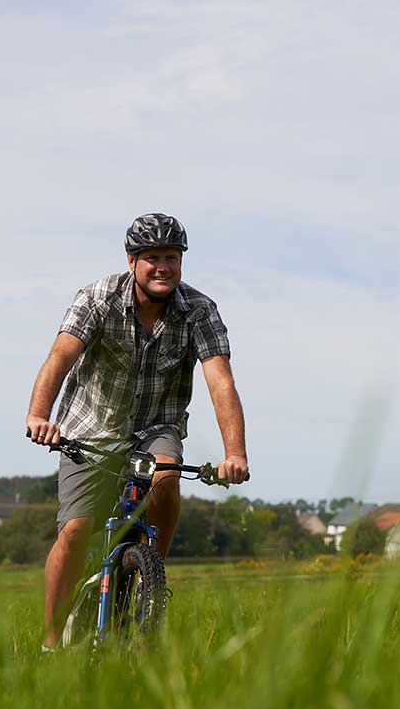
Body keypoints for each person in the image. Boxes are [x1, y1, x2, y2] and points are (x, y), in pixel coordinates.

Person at [25, 213, 249, 649]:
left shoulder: (199, 311)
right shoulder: (97, 298)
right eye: (152, 258)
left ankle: (149, 576)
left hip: (157, 426)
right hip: (90, 429)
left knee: (166, 476)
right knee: (76, 529)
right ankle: (50, 643)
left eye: (171, 257)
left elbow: (220, 380)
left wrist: (234, 452)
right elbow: (59, 357)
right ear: (132, 261)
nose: (162, 266)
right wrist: (39, 415)